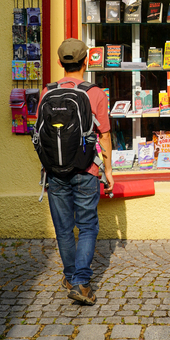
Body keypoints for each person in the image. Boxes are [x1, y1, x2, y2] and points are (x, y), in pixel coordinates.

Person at [40, 39, 114, 305]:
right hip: (87, 169)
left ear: (60, 62)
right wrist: (109, 172)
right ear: (86, 62)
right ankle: (81, 282)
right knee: (87, 226)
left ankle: (71, 277)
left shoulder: (47, 91)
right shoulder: (94, 93)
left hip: (54, 171)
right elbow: (104, 135)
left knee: (63, 229)